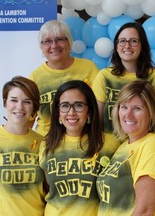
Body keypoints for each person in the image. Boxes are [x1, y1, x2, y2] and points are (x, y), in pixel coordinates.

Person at [39, 80, 119, 215]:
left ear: (89, 112)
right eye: (65, 106)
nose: (71, 112)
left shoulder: (110, 144)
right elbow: (45, 190)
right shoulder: (45, 145)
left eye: (78, 105)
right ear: (58, 113)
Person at [96, 80, 155, 216]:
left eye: (137, 108)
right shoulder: (123, 147)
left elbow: (144, 211)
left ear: (150, 113)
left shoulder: (153, 146)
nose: (128, 115)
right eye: (124, 107)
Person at [0, 76, 45, 216]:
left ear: (34, 107)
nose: (19, 107)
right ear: (5, 103)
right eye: (13, 100)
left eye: (27, 102)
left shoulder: (44, 145)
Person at [92, 22, 155, 135]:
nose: (127, 46)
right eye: (122, 41)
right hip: (110, 144)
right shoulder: (104, 76)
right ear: (116, 47)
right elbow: (96, 118)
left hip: (142, 143)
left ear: (142, 46)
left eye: (133, 41)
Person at [29, 20, 99, 136]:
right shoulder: (35, 78)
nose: (54, 45)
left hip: (84, 139)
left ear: (69, 42)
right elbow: (27, 120)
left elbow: (99, 110)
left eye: (60, 39)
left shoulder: (89, 68)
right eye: (47, 41)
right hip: (47, 143)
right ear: (41, 46)